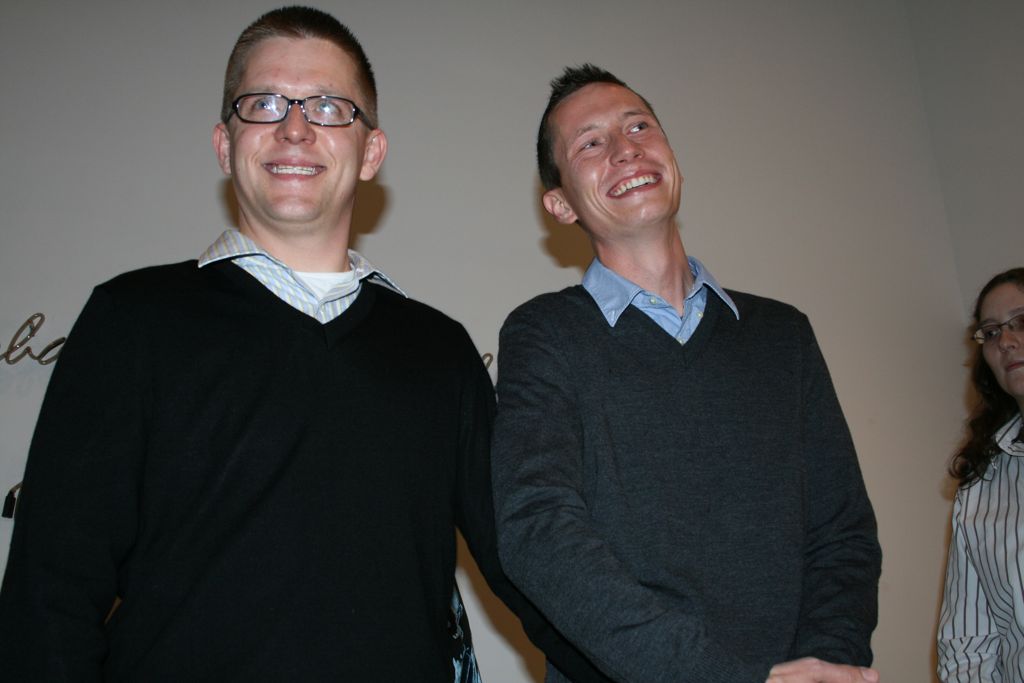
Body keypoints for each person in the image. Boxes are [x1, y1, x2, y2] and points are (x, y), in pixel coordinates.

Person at [0, 8, 603, 681]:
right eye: (264, 104)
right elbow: (47, 600)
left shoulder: (440, 351)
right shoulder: (130, 320)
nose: (294, 127)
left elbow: (534, 571)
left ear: (370, 152)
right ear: (225, 144)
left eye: (327, 107)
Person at [490, 64, 883, 683]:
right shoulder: (545, 334)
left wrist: (825, 663)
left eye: (639, 127)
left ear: (671, 158)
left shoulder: (784, 334)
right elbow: (538, 530)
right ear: (561, 204)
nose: (625, 149)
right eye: (591, 143)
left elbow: (842, 531)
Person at [938, 267, 1024, 681]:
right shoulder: (979, 487)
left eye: (1021, 322)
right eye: (991, 332)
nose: (1005, 341)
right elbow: (967, 645)